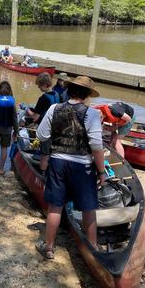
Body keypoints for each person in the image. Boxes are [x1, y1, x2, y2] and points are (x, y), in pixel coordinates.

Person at [35, 76, 106, 259]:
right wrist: (101, 172)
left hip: (57, 162)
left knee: (55, 207)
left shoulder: (54, 108)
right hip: (82, 166)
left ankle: (49, 248)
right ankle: (93, 249)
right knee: (88, 209)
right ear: (87, 95)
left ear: (69, 91)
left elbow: (42, 135)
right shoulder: (91, 114)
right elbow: (97, 147)